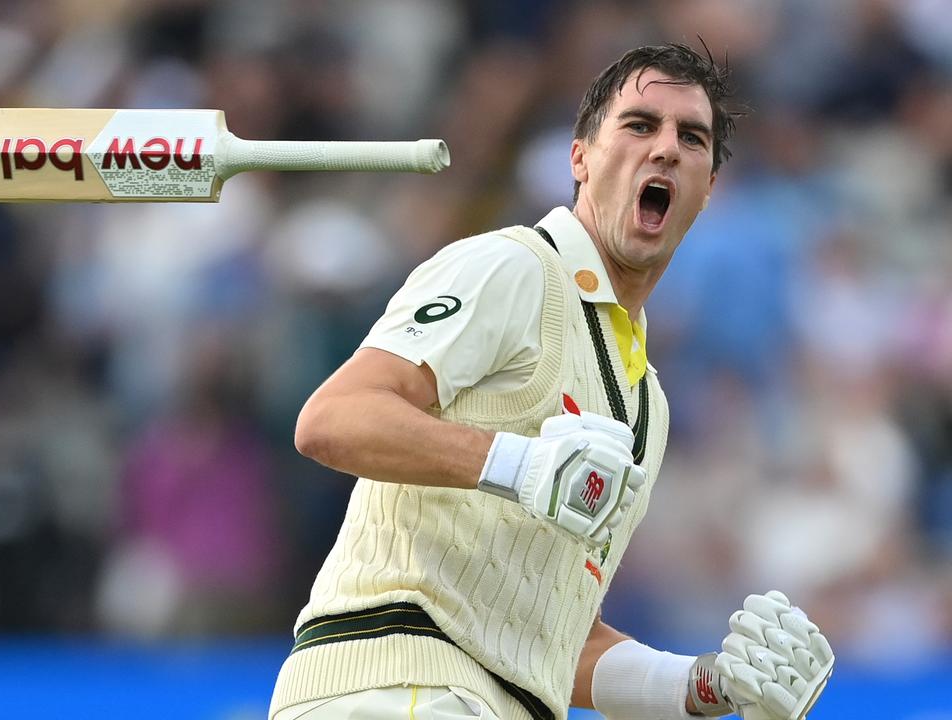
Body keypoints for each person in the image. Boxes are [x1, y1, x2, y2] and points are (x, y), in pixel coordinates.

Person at [269, 44, 834, 720]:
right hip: (395, 685)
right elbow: (333, 418)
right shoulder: (514, 269)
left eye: (692, 137)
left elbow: (557, 643)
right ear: (580, 158)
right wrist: (520, 464)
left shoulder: (646, 405)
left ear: (708, 188)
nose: (665, 149)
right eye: (638, 124)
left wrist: (708, 686)